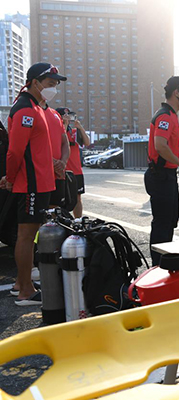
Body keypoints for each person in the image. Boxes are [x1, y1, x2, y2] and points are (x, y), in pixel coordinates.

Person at [0, 62, 65, 305]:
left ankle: (20, 282)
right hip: (31, 184)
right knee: (26, 235)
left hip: (38, 182)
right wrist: (11, 178)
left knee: (29, 234)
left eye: (56, 83)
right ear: (35, 82)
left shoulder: (34, 108)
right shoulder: (25, 109)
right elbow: (15, 151)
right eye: (50, 83)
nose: (54, 87)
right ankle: (26, 291)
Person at [144, 76, 179, 266]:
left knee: (169, 221)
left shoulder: (171, 116)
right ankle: (158, 267)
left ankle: (163, 262)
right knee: (162, 223)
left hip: (165, 177)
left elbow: (166, 144)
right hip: (160, 176)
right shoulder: (165, 116)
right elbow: (159, 146)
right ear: (177, 92)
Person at [57, 108, 90, 217]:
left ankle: (77, 221)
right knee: (59, 198)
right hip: (61, 170)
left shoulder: (74, 132)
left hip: (76, 171)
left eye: (69, 115)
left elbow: (87, 142)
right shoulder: (55, 130)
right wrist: (64, 126)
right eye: (64, 116)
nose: (67, 118)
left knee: (77, 198)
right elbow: (60, 142)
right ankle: (60, 222)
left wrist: (80, 127)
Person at [41, 101, 70, 209]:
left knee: (55, 210)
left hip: (58, 175)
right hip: (39, 175)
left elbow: (65, 143)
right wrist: (52, 162)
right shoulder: (29, 111)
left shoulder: (55, 114)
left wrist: (63, 163)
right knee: (37, 217)